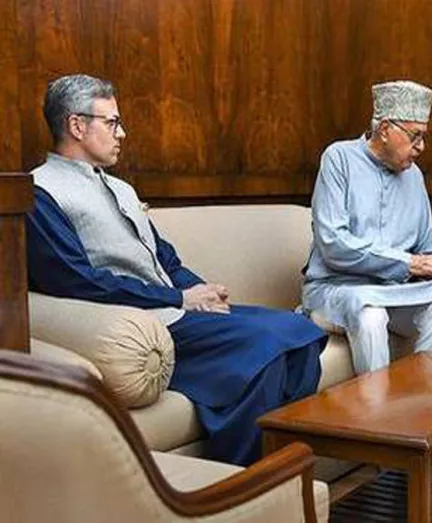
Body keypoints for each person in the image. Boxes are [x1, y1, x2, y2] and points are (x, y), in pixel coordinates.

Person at [24, 74, 328, 466]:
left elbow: (164, 258)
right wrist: (180, 297)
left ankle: (280, 468)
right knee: (268, 348)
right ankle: (240, 478)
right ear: (77, 126)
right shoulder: (39, 192)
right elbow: (76, 281)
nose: (122, 133)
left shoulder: (121, 189)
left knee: (301, 335)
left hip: (175, 310)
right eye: (112, 122)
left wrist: (202, 291)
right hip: (145, 321)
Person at [302, 80, 432, 374]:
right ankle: (376, 403)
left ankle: (423, 399)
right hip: (337, 289)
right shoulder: (338, 158)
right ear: (384, 129)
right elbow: (333, 245)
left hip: (394, 292)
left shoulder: (414, 176)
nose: (421, 147)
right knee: (371, 315)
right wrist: (411, 263)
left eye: (424, 137)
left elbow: (425, 249)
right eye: (415, 136)